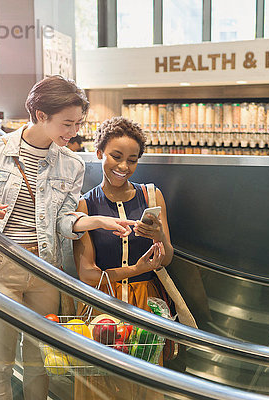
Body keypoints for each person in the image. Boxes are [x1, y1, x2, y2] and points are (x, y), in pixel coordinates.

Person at [0, 75, 135, 400]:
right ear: (41, 115)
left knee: (40, 361)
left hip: (44, 270)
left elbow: (63, 222)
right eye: (67, 124)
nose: (73, 132)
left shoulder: (71, 163)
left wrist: (95, 220)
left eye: (78, 123)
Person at [73, 116, 173, 399]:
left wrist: (160, 237)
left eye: (132, 159)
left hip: (146, 304)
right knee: (101, 385)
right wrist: (134, 269)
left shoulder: (152, 196)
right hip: (103, 307)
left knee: (146, 384)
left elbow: (167, 258)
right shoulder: (85, 205)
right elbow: (87, 274)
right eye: (116, 156)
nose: (124, 166)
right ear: (99, 153)